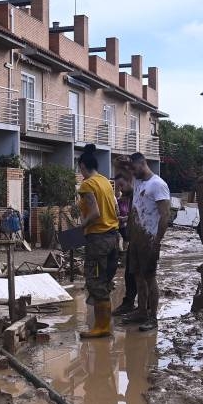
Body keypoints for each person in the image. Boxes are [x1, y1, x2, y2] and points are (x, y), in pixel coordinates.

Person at [123, 152, 171, 332]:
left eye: (134, 168)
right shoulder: (138, 182)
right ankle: (141, 311)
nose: (132, 173)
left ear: (142, 164)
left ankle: (153, 317)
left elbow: (165, 215)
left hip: (150, 240)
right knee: (137, 277)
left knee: (150, 278)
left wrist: (157, 241)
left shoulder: (158, 185)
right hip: (136, 239)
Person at [76, 145, 120, 339]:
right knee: (105, 280)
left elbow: (95, 213)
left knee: (94, 281)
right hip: (113, 236)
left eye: (79, 169)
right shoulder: (104, 181)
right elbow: (114, 210)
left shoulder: (87, 184)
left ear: (83, 166)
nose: (80, 173)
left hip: (98, 238)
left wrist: (81, 227)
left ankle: (102, 327)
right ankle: (105, 324)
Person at [112, 171, 138, 317]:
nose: (120, 189)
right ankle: (129, 303)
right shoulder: (126, 197)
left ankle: (144, 308)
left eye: (121, 185)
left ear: (130, 181)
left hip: (142, 240)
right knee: (130, 273)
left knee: (142, 275)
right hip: (132, 238)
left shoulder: (139, 194)